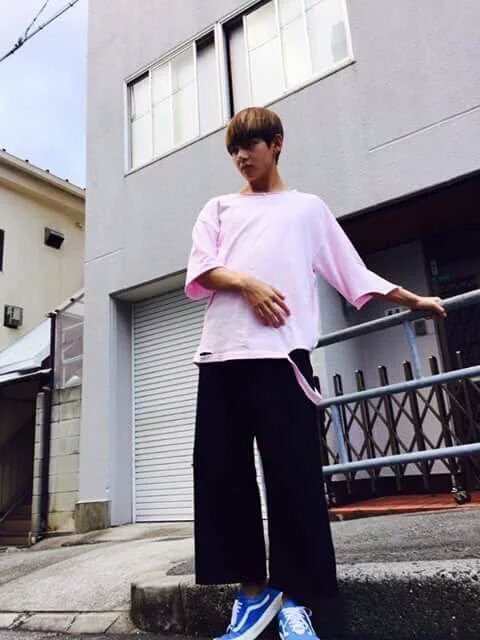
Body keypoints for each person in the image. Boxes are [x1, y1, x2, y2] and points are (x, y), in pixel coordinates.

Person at [184, 106, 446, 640]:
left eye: (250, 146)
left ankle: (296, 600)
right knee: (222, 477)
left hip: (284, 361)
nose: (241, 157)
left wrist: (412, 299)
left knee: (295, 480)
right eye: (234, 150)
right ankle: (252, 595)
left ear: (276, 143)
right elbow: (203, 269)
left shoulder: (307, 210)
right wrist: (248, 284)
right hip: (222, 358)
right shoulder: (219, 208)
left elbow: (353, 271)